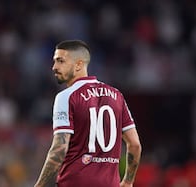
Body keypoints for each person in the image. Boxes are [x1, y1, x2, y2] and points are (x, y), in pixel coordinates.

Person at [34, 40, 142, 187]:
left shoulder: (67, 96)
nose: (54, 67)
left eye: (60, 61)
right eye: (54, 61)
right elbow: (135, 144)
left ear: (79, 64)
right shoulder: (117, 96)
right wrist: (128, 181)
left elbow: (59, 149)